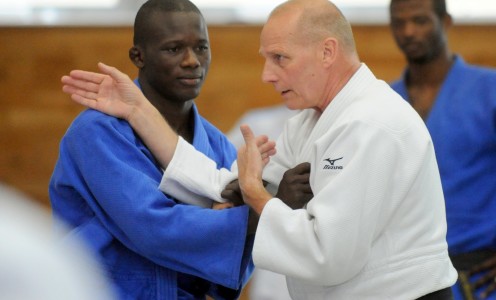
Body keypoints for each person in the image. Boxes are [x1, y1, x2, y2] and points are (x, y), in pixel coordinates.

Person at [61, 0, 459, 298]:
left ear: (327, 52)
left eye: (280, 58)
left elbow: (326, 253)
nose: (268, 75)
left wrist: (257, 198)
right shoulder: (310, 120)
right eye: (266, 59)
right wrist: (139, 111)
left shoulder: (372, 123)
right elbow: (224, 186)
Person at [50, 0, 268, 298]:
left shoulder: (217, 143)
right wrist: (254, 215)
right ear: (138, 56)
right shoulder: (96, 133)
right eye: (174, 49)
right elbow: (152, 228)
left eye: (201, 47)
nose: (192, 61)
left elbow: (235, 266)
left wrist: (239, 219)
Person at [389, 0, 496, 299]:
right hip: (405, 276)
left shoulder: (489, 91)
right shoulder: (383, 101)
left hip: (479, 275)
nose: (408, 31)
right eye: (399, 22)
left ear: (445, 22)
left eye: (420, 20)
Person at [227, 105, 297, 300]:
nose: (269, 76)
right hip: (274, 282)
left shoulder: (355, 124)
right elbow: (220, 180)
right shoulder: (259, 125)